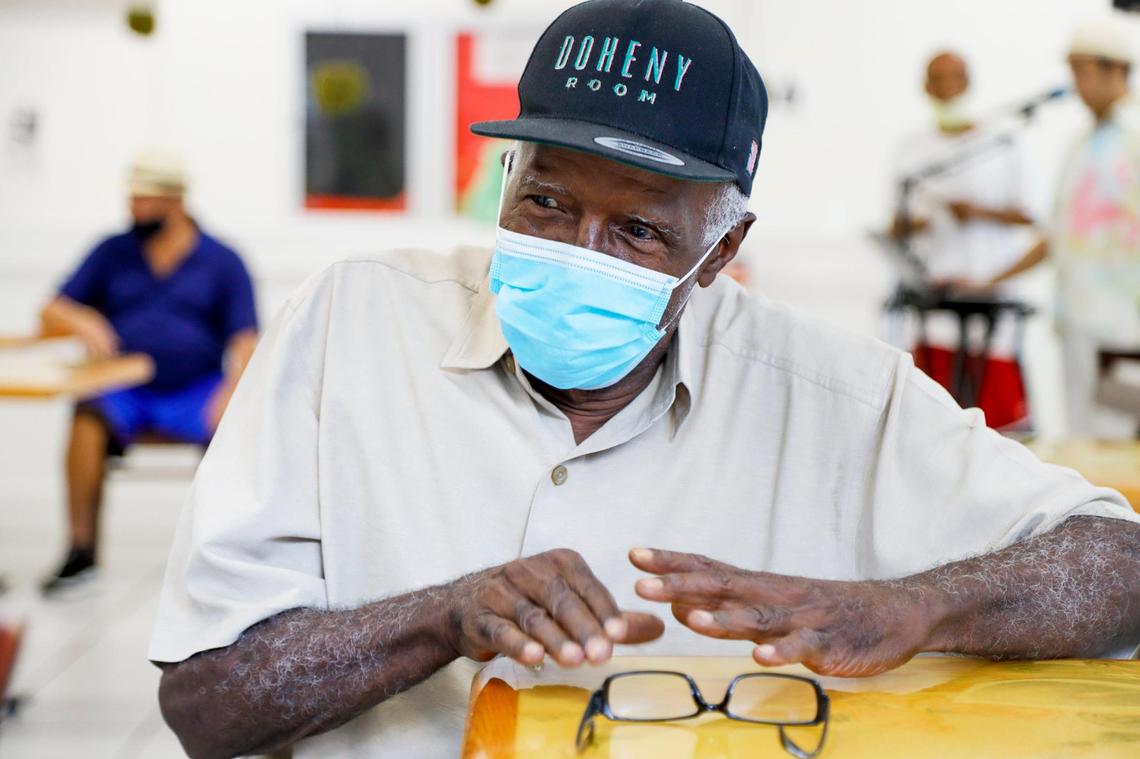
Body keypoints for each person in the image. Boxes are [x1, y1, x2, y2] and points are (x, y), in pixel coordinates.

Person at [151, 3, 1140, 757]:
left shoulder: (836, 399)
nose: (582, 252)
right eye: (546, 202)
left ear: (721, 249)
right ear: (504, 182)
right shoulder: (353, 325)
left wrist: (916, 606)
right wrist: (445, 616)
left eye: (638, 230)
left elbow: (1118, 567)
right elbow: (208, 700)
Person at [39, 148, 259, 594]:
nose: (133, 207)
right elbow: (51, 310)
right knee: (86, 415)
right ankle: (81, 552)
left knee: (235, 423)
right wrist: (83, 319)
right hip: (123, 387)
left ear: (174, 201)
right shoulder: (110, 252)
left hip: (196, 390)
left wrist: (235, 389)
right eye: (132, 197)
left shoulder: (223, 261)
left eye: (144, 199)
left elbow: (246, 338)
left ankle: (226, 557)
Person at [987, 19, 1140, 437]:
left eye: (1083, 70)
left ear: (1116, 70)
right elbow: (1056, 238)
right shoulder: (1079, 147)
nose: (1075, 82)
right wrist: (989, 282)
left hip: (1128, 335)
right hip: (1078, 325)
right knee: (1085, 445)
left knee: (1123, 445)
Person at [890, 51, 1035, 289]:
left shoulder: (1001, 143)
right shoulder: (909, 148)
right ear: (925, 87)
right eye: (937, 79)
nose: (947, 88)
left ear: (968, 83)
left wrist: (978, 212)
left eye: (954, 78)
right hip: (931, 285)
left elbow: (1031, 216)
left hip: (990, 284)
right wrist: (922, 222)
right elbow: (894, 225)